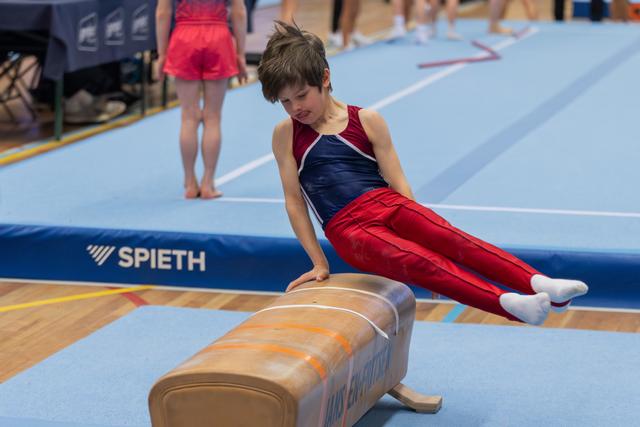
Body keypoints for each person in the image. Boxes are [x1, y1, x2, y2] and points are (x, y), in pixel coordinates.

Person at [257, 22, 588, 326]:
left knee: (453, 239)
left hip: (388, 202)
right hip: (349, 228)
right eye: (285, 102)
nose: (296, 108)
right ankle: (509, 304)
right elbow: (294, 202)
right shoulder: (286, 134)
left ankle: (538, 282)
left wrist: (419, 226)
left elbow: (397, 182)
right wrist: (319, 261)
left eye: (301, 95)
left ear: (325, 78)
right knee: (421, 263)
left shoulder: (367, 120)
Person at [156, 0, 248, 199]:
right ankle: (208, 182)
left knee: (188, 117)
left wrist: (162, 54)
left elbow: (162, 12)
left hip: (184, 38)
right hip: (218, 38)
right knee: (212, 117)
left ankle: (190, 182)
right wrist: (240, 53)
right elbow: (239, 11)